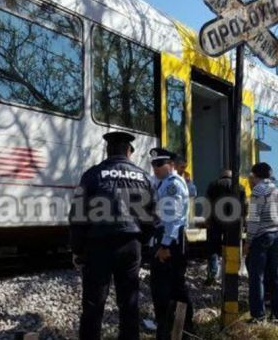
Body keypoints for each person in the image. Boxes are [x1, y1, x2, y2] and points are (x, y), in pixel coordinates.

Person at [69, 132, 156, 340]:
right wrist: (142, 243)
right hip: (130, 245)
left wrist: (77, 250)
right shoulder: (144, 178)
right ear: (129, 151)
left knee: (93, 305)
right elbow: (152, 218)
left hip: (98, 246)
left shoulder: (92, 175)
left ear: (108, 151)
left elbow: (77, 216)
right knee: (129, 304)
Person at [149, 148, 194, 340]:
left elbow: (174, 218)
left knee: (168, 286)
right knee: (170, 286)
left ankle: (178, 330)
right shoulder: (164, 183)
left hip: (171, 241)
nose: (155, 168)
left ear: (171, 165)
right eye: (153, 164)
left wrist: (165, 246)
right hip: (168, 237)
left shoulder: (172, 184)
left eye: (159, 164)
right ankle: (175, 329)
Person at [245, 162, 278, 324]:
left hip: (261, 238)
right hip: (275, 236)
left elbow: (254, 219)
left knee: (256, 277)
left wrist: (248, 241)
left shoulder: (258, 190)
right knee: (275, 275)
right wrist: (275, 225)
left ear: (254, 175)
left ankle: (258, 316)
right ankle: (277, 316)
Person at [204, 169, 247, 285]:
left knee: (213, 248)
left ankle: (212, 274)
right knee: (233, 247)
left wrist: (207, 219)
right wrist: (243, 222)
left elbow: (207, 204)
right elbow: (244, 206)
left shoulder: (213, 185)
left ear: (221, 176)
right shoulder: (240, 187)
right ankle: (233, 274)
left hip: (215, 221)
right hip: (233, 223)